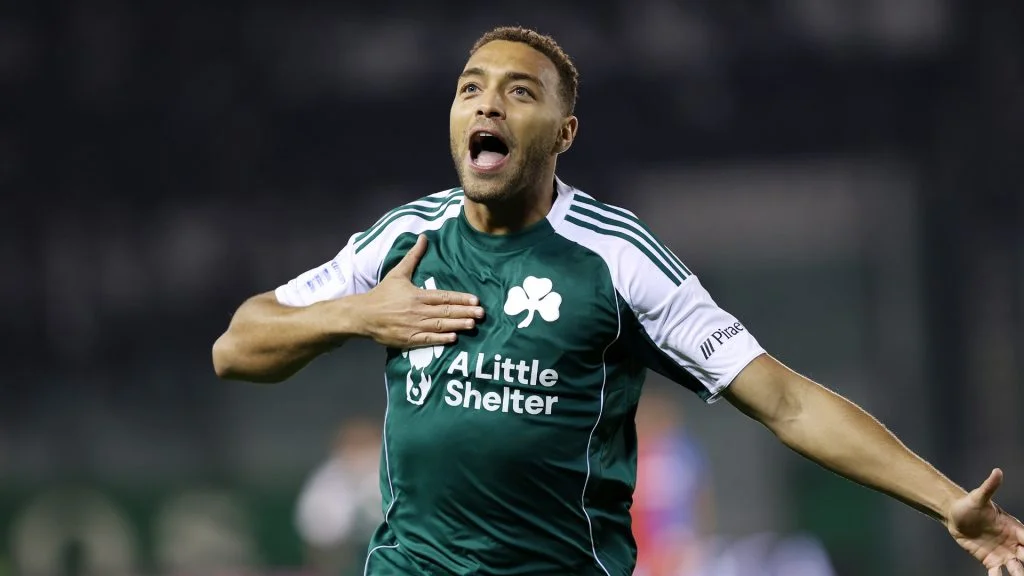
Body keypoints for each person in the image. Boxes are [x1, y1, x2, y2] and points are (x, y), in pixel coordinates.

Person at [212, 25, 1024, 576]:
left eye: (519, 92)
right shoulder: (405, 238)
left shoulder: (617, 258)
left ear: (563, 133)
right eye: (470, 88)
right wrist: (355, 315)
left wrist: (946, 502)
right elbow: (237, 346)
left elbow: (785, 401)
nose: (487, 104)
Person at [632, 388, 713, 576]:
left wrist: (701, 539)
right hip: (638, 543)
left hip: (676, 540)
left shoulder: (682, 450)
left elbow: (701, 497)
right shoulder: (630, 452)